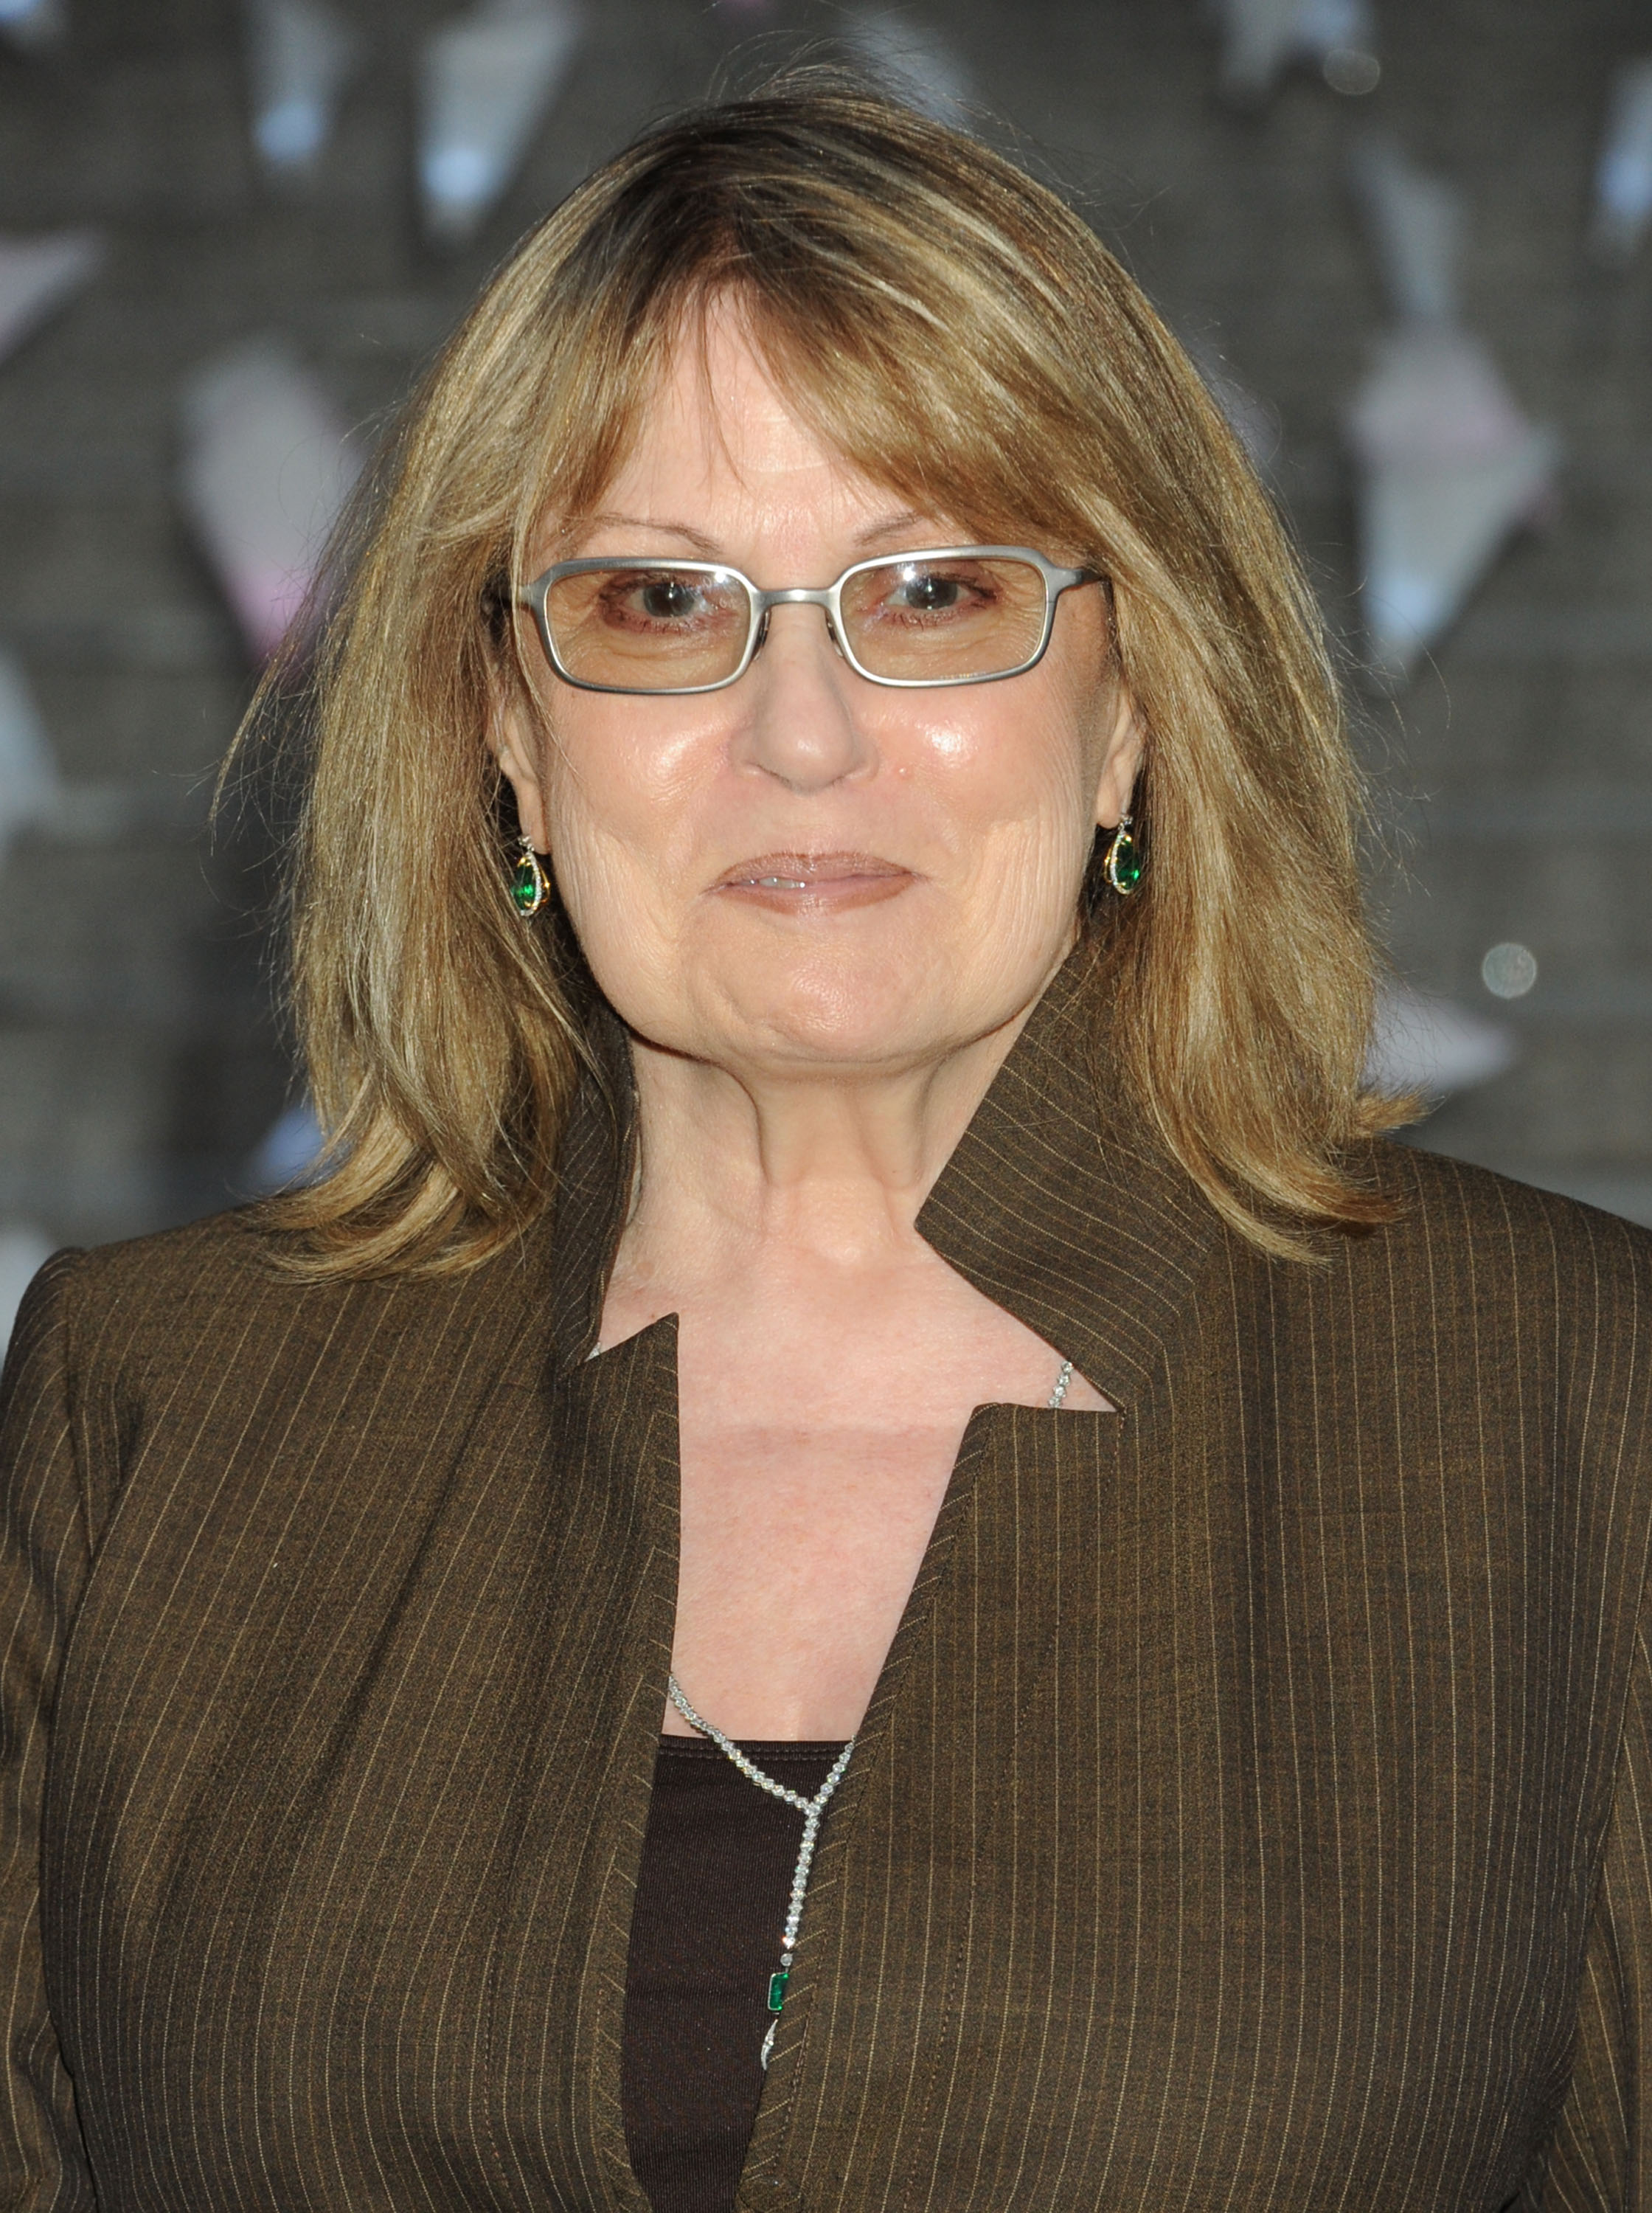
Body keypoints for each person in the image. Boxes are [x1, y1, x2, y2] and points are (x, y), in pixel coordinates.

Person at [1, 77, 1648, 2213]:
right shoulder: (159, 1403)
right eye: (661, 609)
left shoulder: (1569, 1405)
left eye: (937, 593)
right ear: (499, 725)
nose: (800, 738)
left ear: (1135, 690)